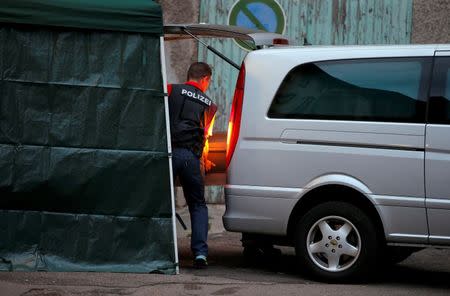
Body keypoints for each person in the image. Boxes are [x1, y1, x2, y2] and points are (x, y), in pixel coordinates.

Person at [168, 62, 217, 268]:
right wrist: (203, 161)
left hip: (167, 154)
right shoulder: (210, 105)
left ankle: (160, 249)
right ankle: (200, 254)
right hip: (189, 158)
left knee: (160, 201)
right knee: (197, 205)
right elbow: (204, 137)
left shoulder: (170, 89)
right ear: (205, 79)